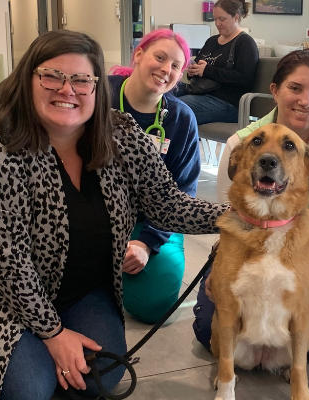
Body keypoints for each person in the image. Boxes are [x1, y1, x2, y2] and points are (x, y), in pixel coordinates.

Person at [0, 30, 229, 400]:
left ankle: (38, 361)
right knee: (27, 390)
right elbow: (8, 260)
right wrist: (54, 334)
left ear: (96, 87)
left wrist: (236, 218)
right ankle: (6, 360)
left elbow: (167, 204)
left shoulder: (122, 134)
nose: (67, 89)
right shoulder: (0, 145)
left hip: (79, 286)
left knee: (100, 378)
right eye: (52, 76)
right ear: (28, 79)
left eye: (80, 79)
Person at [192, 49, 309, 361]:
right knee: (210, 332)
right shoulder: (240, 144)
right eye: (295, 88)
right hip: (248, 254)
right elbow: (230, 220)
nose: (305, 101)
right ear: (274, 90)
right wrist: (223, 271)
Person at [108, 29, 201, 324]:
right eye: (159, 58)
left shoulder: (181, 118)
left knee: (155, 308)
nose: (166, 69)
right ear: (138, 55)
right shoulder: (100, 96)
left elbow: (183, 191)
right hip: (97, 218)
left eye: (176, 66)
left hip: (153, 221)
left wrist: (147, 243)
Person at [174, 0, 259, 125]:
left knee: (174, 108)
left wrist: (207, 70)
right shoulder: (212, 41)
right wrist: (193, 71)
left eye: (222, 19)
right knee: (158, 93)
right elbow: (199, 67)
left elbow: (244, 78)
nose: (217, 23)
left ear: (236, 17)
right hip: (199, 91)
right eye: (215, 19)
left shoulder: (245, 43)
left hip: (227, 101)